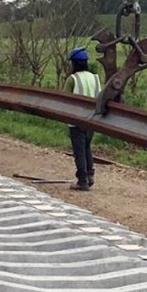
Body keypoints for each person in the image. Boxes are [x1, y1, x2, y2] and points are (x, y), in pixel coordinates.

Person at [64, 47, 101, 190]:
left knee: (79, 150)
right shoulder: (95, 78)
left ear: (74, 63)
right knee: (87, 147)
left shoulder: (72, 79)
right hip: (91, 120)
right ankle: (90, 174)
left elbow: (64, 99)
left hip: (76, 120)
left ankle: (82, 181)